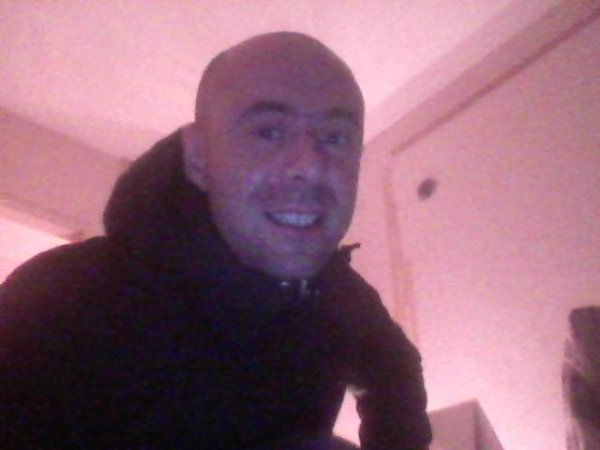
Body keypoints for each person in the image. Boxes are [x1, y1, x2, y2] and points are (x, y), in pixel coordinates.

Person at [0, 32, 431, 449]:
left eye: (335, 137)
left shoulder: (343, 297)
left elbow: (396, 370)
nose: (311, 166)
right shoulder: (57, 299)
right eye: (268, 131)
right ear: (199, 157)